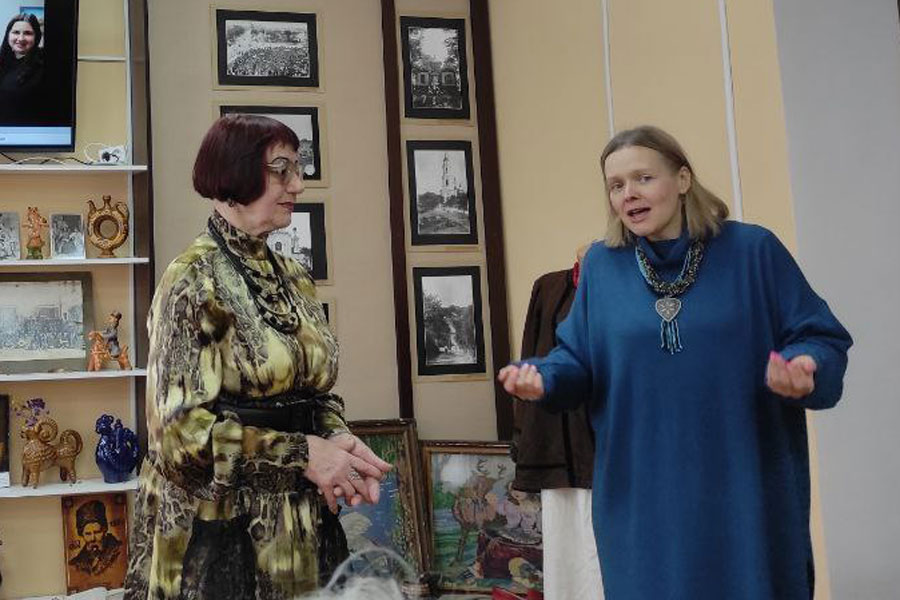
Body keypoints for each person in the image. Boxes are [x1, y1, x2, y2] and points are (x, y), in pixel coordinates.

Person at [498, 125, 852, 600]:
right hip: (641, 490)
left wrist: (803, 367)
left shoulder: (753, 251)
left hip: (743, 481)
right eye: (616, 185)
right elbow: (577, 358)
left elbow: (820, 337)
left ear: (683, 179)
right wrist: (544, 378)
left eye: (643, 178)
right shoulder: (602, 266)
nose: (628, 194)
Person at [124, 114, 392, 600]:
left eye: (298, 169)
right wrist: (304, 454)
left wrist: (336, 437)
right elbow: (176, 439)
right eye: (282, 170)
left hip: (299, 526)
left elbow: (313, 391)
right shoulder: (191, 279)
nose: (299, 185)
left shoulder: (294, 275)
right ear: (235, 174)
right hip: (217, 531)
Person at [513, 247, 603, 600]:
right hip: (557, 443)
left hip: (611, 444)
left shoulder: (630, 285)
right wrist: (523, 433)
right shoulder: (549, 288)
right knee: (566, 556)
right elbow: (533, 354)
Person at [0, 13, 45, 123]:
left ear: (37, 37)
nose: (21, 38)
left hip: (25, 129)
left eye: (28, 33)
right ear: (8, 35)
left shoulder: (42, 66)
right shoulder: (3, 60)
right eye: (16, 32)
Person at [69, 499, 123, 577]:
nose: (93, 538)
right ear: (81, 535)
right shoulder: (76, 563)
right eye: (88, 534)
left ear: (105, 530)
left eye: (97, 532)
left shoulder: (120, 552)